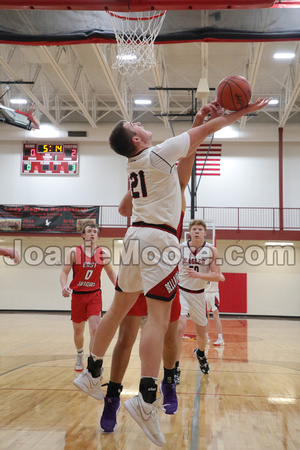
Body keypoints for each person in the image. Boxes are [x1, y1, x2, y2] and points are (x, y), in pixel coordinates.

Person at [73, 97, 270, 447]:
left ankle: (92, 371)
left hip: (133, 236)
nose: (143, 124)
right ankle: (146, 399)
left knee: (116, 311)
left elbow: (184, 157)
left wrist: (196, 122)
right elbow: (206, 131)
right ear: (136, 139)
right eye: (137, 125)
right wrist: (244, 111)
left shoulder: (139, 163)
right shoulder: (160, 152)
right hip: (159, 241)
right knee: (159, 321)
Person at [99, 101, 225, 433]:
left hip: (158, 256)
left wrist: (198, 120)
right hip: (147, 251)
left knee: (173, 326)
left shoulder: (176, 182)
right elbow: (125, 208)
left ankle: (168, 381)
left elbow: (190, 147)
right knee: (127, 332)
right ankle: (113, 397)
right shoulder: (153, 171)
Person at [60, 222, 116, 372]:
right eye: (89, 231)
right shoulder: (74, 252)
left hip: (94, 295)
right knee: (78, 332)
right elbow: (64, 272)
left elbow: (110, 272)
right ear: (83, 235)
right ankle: (80, 354)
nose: (92, 233)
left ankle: (94, 363)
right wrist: (64, 286)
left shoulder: (102, 253)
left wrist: (119, 286)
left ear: (97, 236)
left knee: (95, 330)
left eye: (95, 232)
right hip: (78, 296)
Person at [176, 219, 223, 380]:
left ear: (205, 233)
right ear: (190, 232)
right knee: (179, 328)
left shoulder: (211, 250)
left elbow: (217, 275)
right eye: (194, 229)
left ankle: (201, 354)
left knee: (202, 334)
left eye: (199, 229)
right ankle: (174, 367)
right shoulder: (180, 247)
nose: (196, 231)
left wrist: (199, 275)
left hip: (199, 294)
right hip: (181, 291)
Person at [206, 278, 225, 346]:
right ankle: (206, 337)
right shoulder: (203, 270)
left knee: (216, 317)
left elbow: (223, 278)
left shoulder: (215, 270)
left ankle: (220, 338)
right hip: (205, 294)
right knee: (206, 317)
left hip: (213, 294)